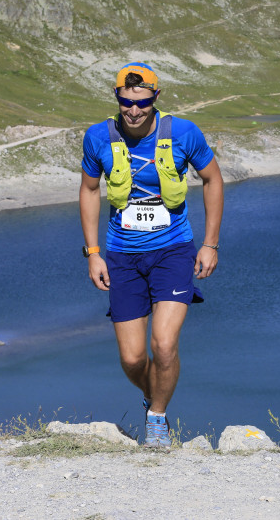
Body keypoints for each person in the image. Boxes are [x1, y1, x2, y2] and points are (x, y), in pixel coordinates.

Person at [79, 62, 224, 448]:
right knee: (132, 358)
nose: (134, 110)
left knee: (163, 344)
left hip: (173, 251)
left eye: (142, 102)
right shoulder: (97, 137)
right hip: (122, 255)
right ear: (117, 98)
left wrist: (210, 243)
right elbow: (90, 190)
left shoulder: (182, 133)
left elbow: (212, 179)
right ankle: (153, 396)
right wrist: (93, 252)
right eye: (126, 102)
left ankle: (157, 419)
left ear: (155, 98)